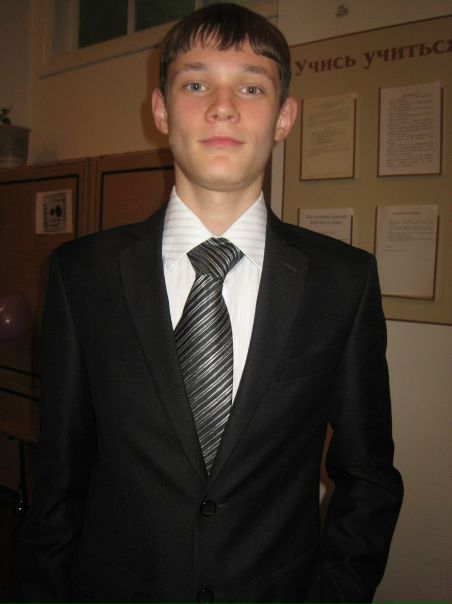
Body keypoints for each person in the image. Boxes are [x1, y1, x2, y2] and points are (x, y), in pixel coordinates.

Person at [18, 3, 403, 603]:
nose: (223, 106)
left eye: (251, 87)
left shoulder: (342, 281)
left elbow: (368, 475)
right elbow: (59, 475)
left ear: (284, 117)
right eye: (196, 85)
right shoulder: (82, 274)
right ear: (161, 110)